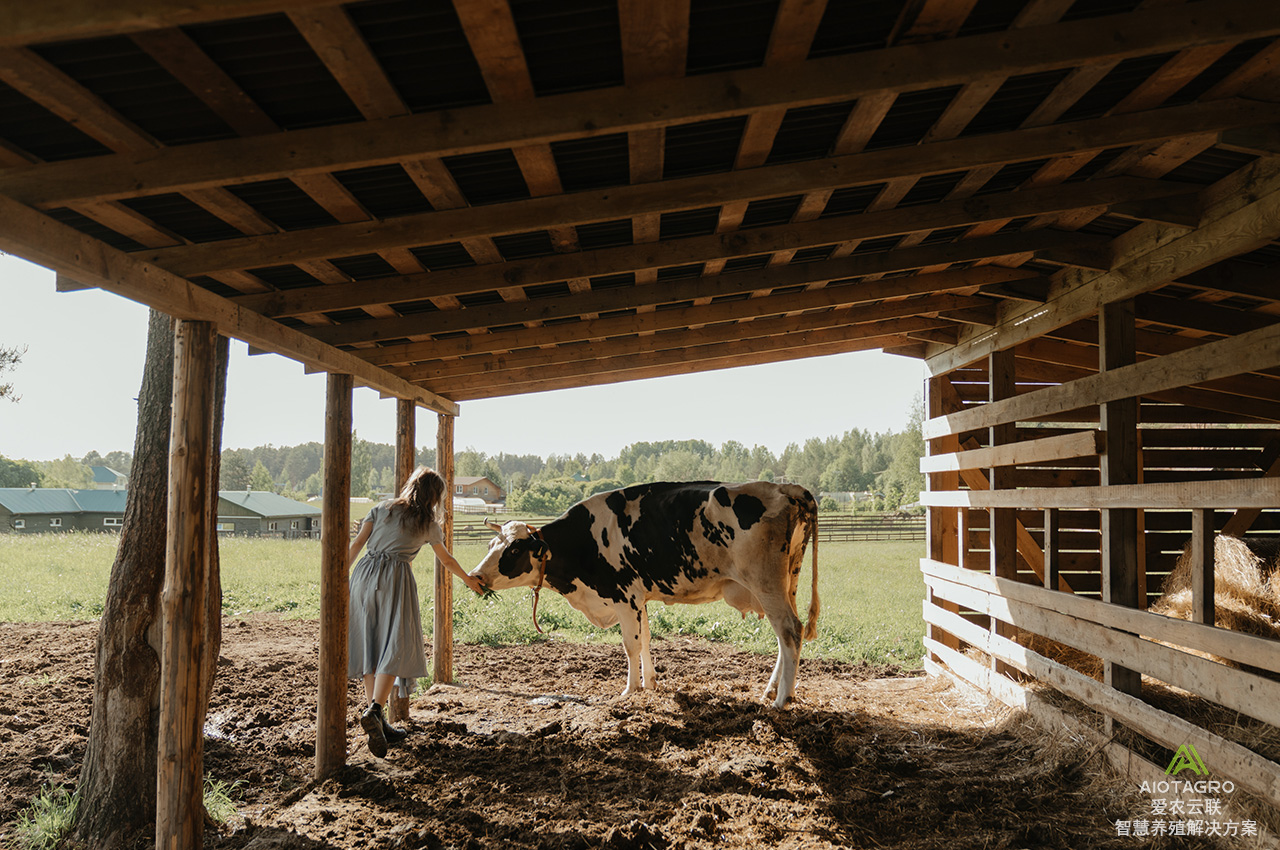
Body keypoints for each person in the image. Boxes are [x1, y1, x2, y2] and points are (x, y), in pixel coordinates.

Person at [347, 466, 485, 757]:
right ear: (434, 497)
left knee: (370, 643)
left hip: (363, 576)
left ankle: (379, 721)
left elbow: (358, 544)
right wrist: (469, 580)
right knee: (395, 645)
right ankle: (374, 710)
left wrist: (336, 576)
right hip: (394, 579)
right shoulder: (427, 524)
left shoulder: (381, 508)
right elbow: (446, 560)